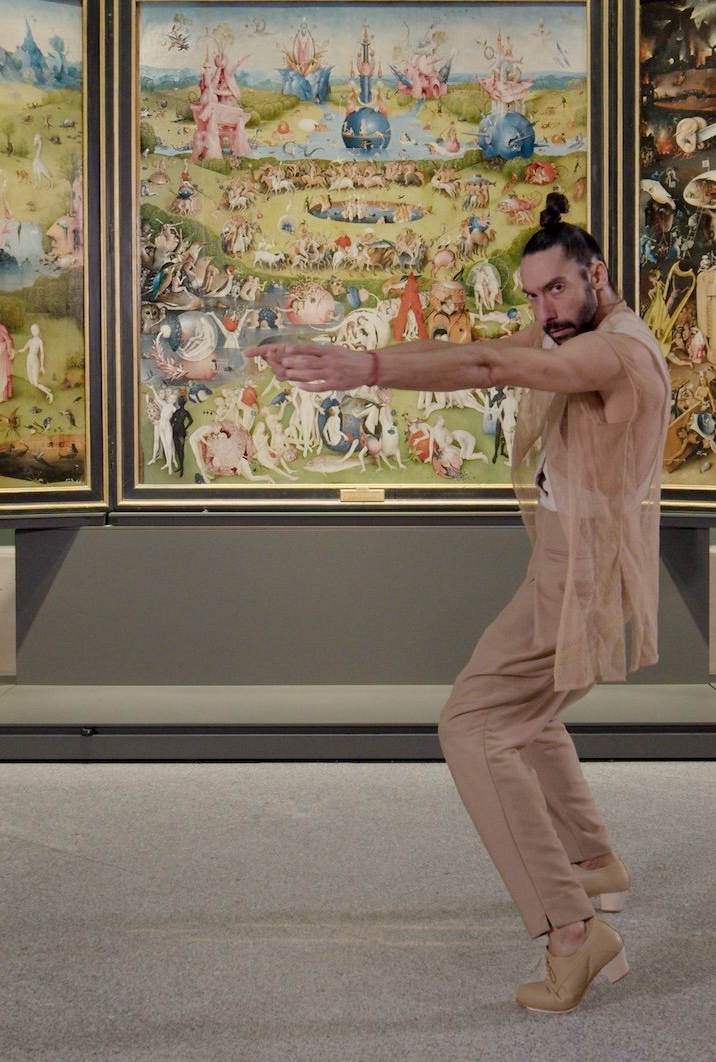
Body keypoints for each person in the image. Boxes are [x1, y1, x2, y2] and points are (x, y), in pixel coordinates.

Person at [251, 191, 667, 1015]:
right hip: (576, 560)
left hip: (580, 572)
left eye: (556, 290)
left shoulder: (611, 355)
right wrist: (357, 356)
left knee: (473, 724)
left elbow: (491, 368)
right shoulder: (578, 332)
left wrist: (360, 371)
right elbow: (469, 351)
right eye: (533, 295)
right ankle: (593, 865)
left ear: (598, 276)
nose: (544, 310)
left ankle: (574, 932)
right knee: (526, 715)